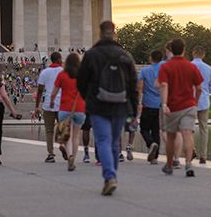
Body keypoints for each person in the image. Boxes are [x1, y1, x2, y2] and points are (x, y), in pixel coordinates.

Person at [77, 21, 137, 196]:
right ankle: (112, 176)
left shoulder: (91, 55)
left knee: (102, 140)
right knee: (114, 141)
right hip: (120, 104)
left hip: (98, 103)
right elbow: (133, 84)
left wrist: (88, 98)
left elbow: (81, 81)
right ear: (114, 33)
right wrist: (133, 108)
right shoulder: (125, 56)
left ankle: (109, 176)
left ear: (100, 33)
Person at [158, 38, 203, 177]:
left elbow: (164, 85)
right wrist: (195, 101)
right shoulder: (191, 66)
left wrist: (164, 103)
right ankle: (188, 164)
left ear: (171, 49)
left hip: (173, 106)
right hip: (189, 105)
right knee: (187, 134)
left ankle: (170, 164)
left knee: (171, 137)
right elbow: (199, 87)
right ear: (184, 49)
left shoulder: (165, 67)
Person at [50, 53, 86, 171]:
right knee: (76, 136)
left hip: (65, 109)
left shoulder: (62, 75)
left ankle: (69, 154)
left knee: (66, 136)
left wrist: (51, 102)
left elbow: (54, 92)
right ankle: (73, 159)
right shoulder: (82, 75)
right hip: (80, 108)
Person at [35, 52, 64, 163]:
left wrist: (37, 106)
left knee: (49, 131)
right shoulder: (64, 71)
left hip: (48, 105)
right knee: (62, 128)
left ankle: (51, 154)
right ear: (59, 59)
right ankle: (63, 145)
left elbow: (40, 90)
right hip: (61, 104)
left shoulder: (45, 72)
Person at [137, 50, 165, 164]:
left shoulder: (145, 70)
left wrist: (139, 102)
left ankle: (150, 143)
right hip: (160, 103)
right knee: (156, 130)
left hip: (148, 103)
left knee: (144, 128)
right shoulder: (164, 68)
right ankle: (155, 157)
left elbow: (140, 87)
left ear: (151, 58)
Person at [190, 45, 211, 164]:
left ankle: (191, 150)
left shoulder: (189, 66)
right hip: (204, 101)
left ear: (193, 54)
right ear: (203, 55)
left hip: (190, 101)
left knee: (188, 128)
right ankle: (203, 156)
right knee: (204, 129)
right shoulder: (209, 69)